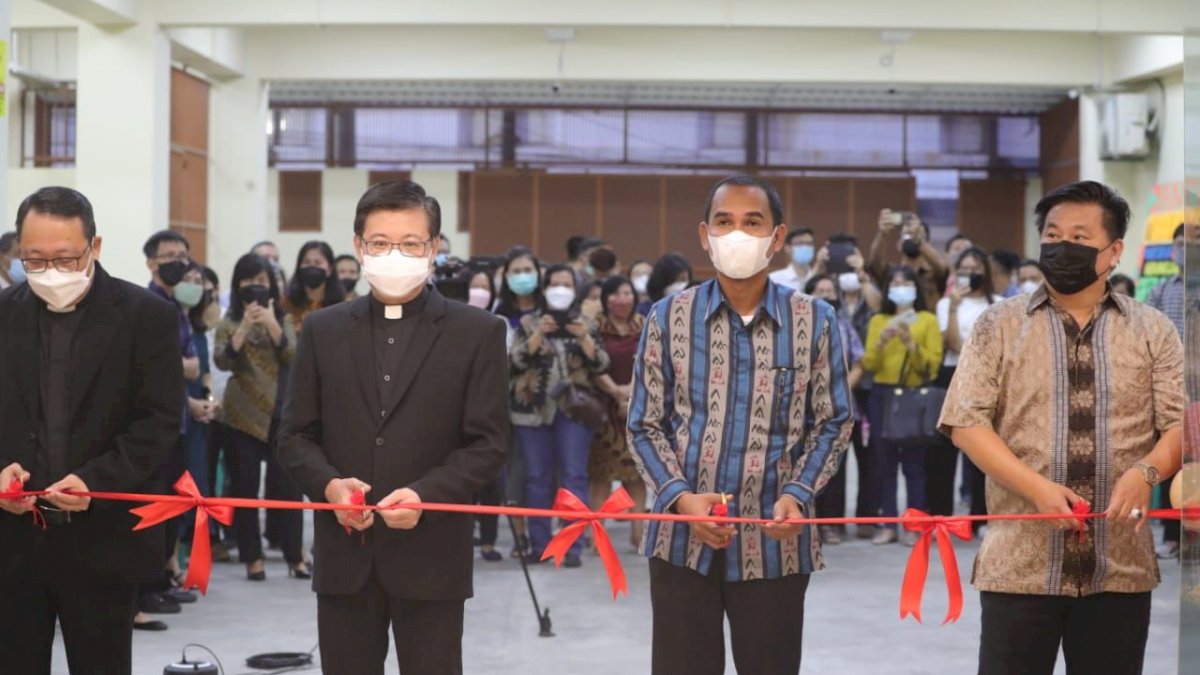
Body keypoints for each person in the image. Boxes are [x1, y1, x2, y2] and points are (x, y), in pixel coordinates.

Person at [940, 180, 1183, 675]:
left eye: (1079, 236)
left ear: (1112, 251)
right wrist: (1036, 490)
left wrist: (1146, 474)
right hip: (1019, 568)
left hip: (1120, 567)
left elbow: (1181, 424)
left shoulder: (1153, 329)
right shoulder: (998, 324)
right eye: (1052, 235)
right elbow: (965, 421)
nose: (1062, 247)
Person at [278, 180, 509, 675]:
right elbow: (295, 434)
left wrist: (426, 494)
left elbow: (488, 443)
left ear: (434, 249)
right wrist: (328, 485)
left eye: (410, 244)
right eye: (380, 243)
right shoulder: (323, 329)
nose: (394, 254)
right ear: (360, 246)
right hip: (346, 557)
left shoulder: (478, 332)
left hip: (432, 558)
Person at [629, 175, 854, 675]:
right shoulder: (667, 318)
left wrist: (797, 493)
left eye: (752, 223)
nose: (737, 234)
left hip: (775, 545)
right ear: (705, 235)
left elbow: (834, 422)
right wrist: (682, 499)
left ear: (777, 238)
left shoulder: (813, 320)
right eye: (725, 222)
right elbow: (644, 425)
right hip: (681, 540)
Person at [0, 187, 184, 674]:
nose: (49, 271)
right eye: (33, 259)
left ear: (94, 248)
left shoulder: (146, 318)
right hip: (12, 543)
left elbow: (159, 421)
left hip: (102, 541)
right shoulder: (3, 314)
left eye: (64, 258)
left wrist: (97, 481)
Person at [510, 263, 610, 568]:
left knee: (573, 476)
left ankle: (572, 547)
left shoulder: (587, 322)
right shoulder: (529, 322)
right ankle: (540, 545)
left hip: (574, 411)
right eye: (555, 283)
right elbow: (516, 360)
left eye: (567, 284)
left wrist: (584, 339)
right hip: (533, 411)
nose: (561, 289)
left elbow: (601, 364)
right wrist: (540, 334)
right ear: (545, 287)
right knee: (537, 478)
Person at [214, 253, 307, 581]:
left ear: (272, 285)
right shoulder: (228, 322)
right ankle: (253, 559)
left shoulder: (282, 320)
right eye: (249, 282)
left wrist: (268, 321)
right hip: (241, 416)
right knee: (245, 489)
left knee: (288, 489)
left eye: (262, 282)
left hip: (281, 415)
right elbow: (222, 362)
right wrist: (243, 327)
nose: (255, 288)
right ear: (238, 285)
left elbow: (294, 355)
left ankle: (295, 557)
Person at [139, 229, 204, 622]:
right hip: (155, 426)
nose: (178, 260)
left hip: (178, 422)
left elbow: (192, 364)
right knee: (154, 508)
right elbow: (155, 362)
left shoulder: (178, 305)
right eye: (169, 255)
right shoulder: (146, 305)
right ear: (151, 263)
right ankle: (145, 590)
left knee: (175, 505)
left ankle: (162, 579)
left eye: (183, 254)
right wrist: (178, 365)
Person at [861, 265, 943, 545]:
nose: (900, 288)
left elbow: (932, 366)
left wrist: (911, 345)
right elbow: (869, 364)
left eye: (906, 283)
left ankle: (915, 524)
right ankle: (888, 523)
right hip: (882, 395)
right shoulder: (878, 320)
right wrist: (882, 343)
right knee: (884, 463)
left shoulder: (927, 320)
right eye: (895, 283)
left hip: (913, 395)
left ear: (915, 288)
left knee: (914, 464)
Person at [933, 248, 999, 524]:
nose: (969, 275)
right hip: (951, 374)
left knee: (982, 450)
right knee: (943, 453)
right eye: (963, 269)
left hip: (988, 378)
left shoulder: (998, 304)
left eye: (975, 269)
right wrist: (953, 308)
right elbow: (950, 344)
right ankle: (943, 517)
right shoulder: (945, 304)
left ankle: (980, 517)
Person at [588, 275, 648, 550]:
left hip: (639, 408)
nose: (622, 299)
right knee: (600, 476)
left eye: (627, 293)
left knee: (636, 475)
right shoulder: (595, 326)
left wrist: (631, 394)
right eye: (615, 294)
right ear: (605, 299)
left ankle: (639, 535)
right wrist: (616, 393)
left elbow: (651, 362)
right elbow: (591, 364)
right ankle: (595, 535)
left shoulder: (644, 325)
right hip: (602, 409)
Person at [494, 247, 545, 559]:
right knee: (514, 473)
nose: (523, 276)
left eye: (528, 269)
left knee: (541, 474)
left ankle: (544, 535)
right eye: (516, 271)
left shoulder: (551, 311)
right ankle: (520, 536)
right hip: (509, 406)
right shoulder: (499, 317)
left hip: (546, 406)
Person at [806, 274, 864, 545]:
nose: (827, 294)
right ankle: (806, 521)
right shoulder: (798, 325)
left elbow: (859, 362)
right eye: (821, 289)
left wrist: (839, 391)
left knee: (834, 467)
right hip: (804, 408)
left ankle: (831, 523)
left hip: (838, 406)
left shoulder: (843, 325)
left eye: (831, 290)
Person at [834, 236, 881, 540]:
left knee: (870, 457)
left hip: (865, 389)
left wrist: (863, 275)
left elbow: (878, 303)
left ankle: (866, 517)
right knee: (834, 460)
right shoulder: (829, 303)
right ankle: (833, 522)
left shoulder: (868, 299)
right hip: (832, 394)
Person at [1145, 223, 1185, 560]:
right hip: (1170, 391)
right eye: (1181, 244)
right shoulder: (1160, 290)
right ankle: (1173, 535)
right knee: (1173, 462)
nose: (1187, 250)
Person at [461, 267, 504, 562]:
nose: (479, 291)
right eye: (473, 285)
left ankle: (488, 540)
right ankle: (463, 538)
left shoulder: (497, 323)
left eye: (484, 286)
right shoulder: (451, 322)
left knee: (491, 481)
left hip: (490, 410)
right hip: (455, 410)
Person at [868, 208, 948, 310]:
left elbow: (940, 266)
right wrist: (882, 234)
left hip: (927, 324)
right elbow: (875, 263)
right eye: (906, 235)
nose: (911, 238)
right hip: (895, 324)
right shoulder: (891, 273)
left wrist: (919, 240)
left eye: (916, 235)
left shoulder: (932, 273)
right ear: (899, 244)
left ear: (928, 245)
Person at [284, 240, 346, 333]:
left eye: (318, 263)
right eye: (306, 262)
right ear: (299, 267)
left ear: (329, 269)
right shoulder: (286, 303)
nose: (312, 266)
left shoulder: (341, 306)